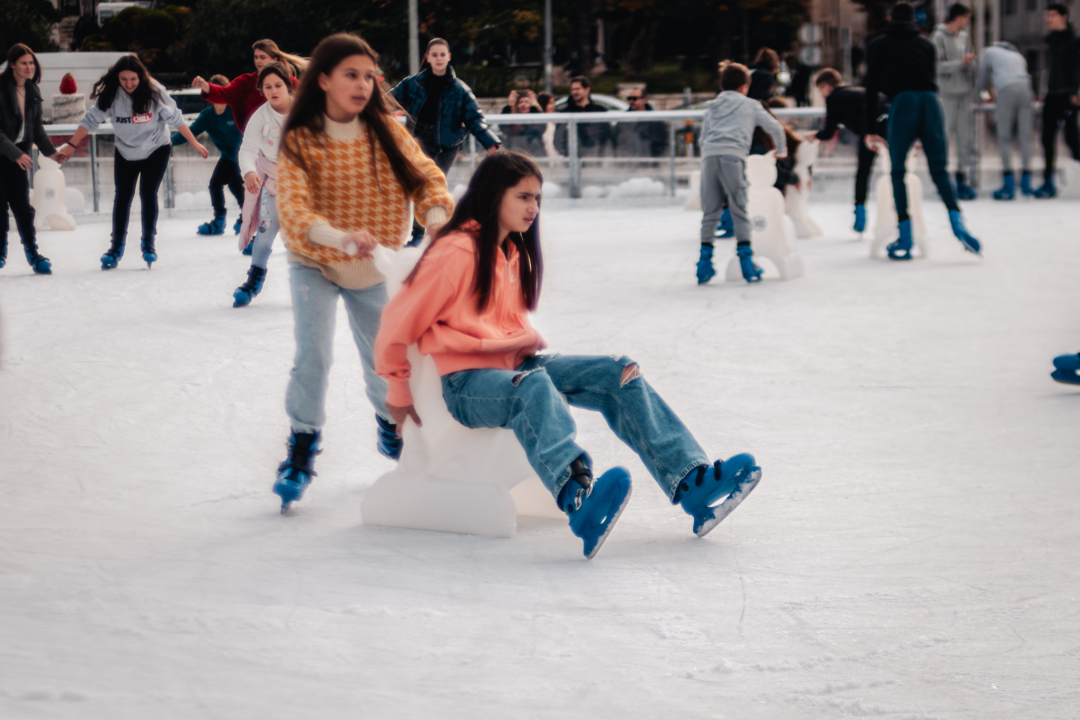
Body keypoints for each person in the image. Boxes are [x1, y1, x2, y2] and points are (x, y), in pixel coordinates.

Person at [374, 151, 763, 559]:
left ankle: (692, 483)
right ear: (492, 195)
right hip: (468, 383)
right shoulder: (455, 252)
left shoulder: (510, 251)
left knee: (618, 372)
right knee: (534, 386)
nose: (533, 208)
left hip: (519, 366)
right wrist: (399, 391)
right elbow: (397, 326)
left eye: (537, 198)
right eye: (523, 197)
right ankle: (577, 498)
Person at [272, 33, 454, 512]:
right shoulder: (301, 137)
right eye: (351, 74)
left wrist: (435, 219)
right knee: (314, 355)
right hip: (313, 262)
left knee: (385, 362)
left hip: (373, 267)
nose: (363, 84)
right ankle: (302, 447)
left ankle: (390, 425)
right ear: (325, 80)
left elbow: (427, 179)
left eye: (369, 76)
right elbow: (291, 210)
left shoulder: (387, 132)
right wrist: (340, 237)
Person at [56, 54, 209, 270]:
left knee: (148, 194)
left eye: (133, 80)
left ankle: (148, 244)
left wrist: (194, 143)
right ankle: (115, 248)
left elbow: (176, 119)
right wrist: (71, 146)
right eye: (124, 79)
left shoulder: (155, 92)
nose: (128, 84)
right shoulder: (112, 94)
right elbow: (90, 119)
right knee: (123, 197)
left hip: (156, 148)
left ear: (141, 77)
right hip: (126, 152)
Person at [863, 2, 981, 261]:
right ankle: (957, 221)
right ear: (915, 21)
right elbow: (929, 76)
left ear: (890, 18)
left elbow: (871, 87)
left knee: (897, 170)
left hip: (903, 102)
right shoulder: (926, 44)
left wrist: (871, 129)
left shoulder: (881, 43)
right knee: (939, 168)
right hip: (931, 102)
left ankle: (905, 235)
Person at [390, 38, 501, 246]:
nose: (439, 58)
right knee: (420, 185)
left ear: (449, 57)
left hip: (447, 144)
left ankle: (426, 233)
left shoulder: (460, 90)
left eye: (443, 54)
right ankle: (421, 233)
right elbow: (388, 101)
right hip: (419, 141)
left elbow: (475, 118)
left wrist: (490, 142)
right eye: (435, 55)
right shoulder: (412, 84)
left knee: (433, 186)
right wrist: (367, 110)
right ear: (428, 58)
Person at [695, 62, 786, 285]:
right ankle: (747, 263)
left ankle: (703, 265)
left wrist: (709, 154)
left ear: (722, 85)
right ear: (745, 87)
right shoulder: (751, 105)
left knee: (710, 213)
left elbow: (702, 138)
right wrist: (781, 150)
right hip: (733, 158)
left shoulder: (712, 107)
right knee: (739, 210)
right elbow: (775, 127)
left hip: (709, 158)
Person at [230, 63, 294, 308]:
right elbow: (247, 150)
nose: (273, 90)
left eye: (278, 85)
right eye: (268, 87)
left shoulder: (304, 110)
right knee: (266, 232)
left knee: (298, 235)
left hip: (302, 185)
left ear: (287, 86)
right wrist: (249, 172)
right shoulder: (261, 116)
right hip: (273, 182)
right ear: (262, 90)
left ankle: (307, 282)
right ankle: (253, 281)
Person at [0, 44, 65, 274]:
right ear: (12, 65)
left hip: (19, 155)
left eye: (31, 63)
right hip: (5, 154)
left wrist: (52, 152)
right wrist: (16, 154)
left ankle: (33, 254)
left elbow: (36, 128)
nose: (29, 67)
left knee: (23, 208)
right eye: (24, 63)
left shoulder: (33, 91)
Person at [812, 68, 888, 232]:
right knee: (895, 169)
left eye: (820, 90)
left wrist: (814, 135)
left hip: (871, 130)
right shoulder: (855, 91)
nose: (822, 95)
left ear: (826, 86)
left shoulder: (833, 97)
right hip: (889, 121)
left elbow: (828, 132)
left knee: (863, 171)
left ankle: (860, 213)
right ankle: (899, 212)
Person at [171, 74, 245, 235]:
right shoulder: (207, 116)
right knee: (215, 184)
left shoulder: (237, 110)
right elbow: (188, 133)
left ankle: (246, 218)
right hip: (228, 156)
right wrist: (168, 143)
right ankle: (220, 220)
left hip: (243, 155)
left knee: (235, 184)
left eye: (221, 92)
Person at [191, 40, 305, 133]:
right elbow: (224, 94)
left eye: (262, 57)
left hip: (282, 138)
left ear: (274, 59)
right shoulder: (245, 82)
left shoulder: (289, 82)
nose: (258, 61)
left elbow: (309, 100)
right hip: (255, 140)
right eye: (256, 57)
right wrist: (205, 86)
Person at [976, 42, 1035, 199]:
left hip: (1005, 90)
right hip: (1026, 89)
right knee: (1025, 137)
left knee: (1004, 137)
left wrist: (979, 98)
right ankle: (1026, 183)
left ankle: (1008, 184)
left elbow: (981, 80)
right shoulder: (1018, 56)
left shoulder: (988, 52)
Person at [1034, 3, 1080, 199]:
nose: (1048, 20)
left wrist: (1075, 92)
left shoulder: (1073, 41)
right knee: (1046, 138)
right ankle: (1047, 181)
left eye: (1052, 16)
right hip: (1053, 94)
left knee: (1071, 137)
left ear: (1063, 17)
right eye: (1047, 16)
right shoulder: (1050, 40)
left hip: (1069, 94)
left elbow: (1077, 68)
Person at [932, 4, 978, 200]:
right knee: (943, 137)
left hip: (963, 94)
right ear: (958, 17)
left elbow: (972, 62)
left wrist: (969, 64)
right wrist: (960, 64)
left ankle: (962, 179)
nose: (967, 23)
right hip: (946, 95)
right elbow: (936, 66)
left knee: (965, 139)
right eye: (966, 18)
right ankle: (942, 181)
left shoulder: (964, 37)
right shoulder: (938, 37)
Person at [558, 75, 610, 157]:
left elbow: (606, 135)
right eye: (573, 89)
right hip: (573, 157)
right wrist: (565, 154)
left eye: (578, 89)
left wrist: (603, 155)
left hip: (595, 156)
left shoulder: (599, 111)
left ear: (587, 90)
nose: (575, 92)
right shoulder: (566, 112)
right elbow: (559, 137)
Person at [619, 88, 668, 157]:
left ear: (644, 100)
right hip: (628, 162)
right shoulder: (623, 120)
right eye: (629, 98)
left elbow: (663, 143)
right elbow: (617, 142)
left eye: (634, 98)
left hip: (650, 163)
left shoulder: (656, 120)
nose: (631, 101)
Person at [499, 89, 543, 154]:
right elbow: (503, 127)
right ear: (516, 105)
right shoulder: (512, 121)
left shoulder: (535, 119)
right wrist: (509, 106)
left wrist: (534, 106)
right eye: (520, 102)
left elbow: (540, 126)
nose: (523, 104)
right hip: (515, 153)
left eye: (526, 102)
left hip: (534, 153)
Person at [537, 92, 560, 158]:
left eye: (553, 103)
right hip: (546, 154)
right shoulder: (540, 121)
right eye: (550, 103)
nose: (552, 106)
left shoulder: (559, 117)